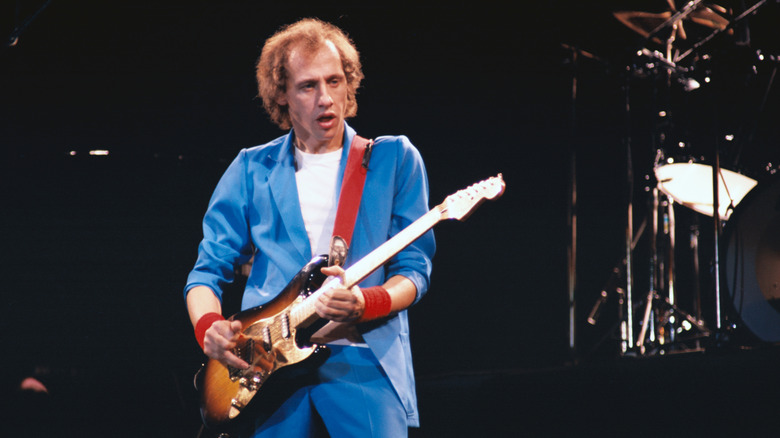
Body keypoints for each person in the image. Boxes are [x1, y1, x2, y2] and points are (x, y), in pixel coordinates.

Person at [184, 18, 435, 437]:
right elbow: (206, 272)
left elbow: (414, 271)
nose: (326, 99)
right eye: (308, 86)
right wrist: (210, 330)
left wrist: (366, 302)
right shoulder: (251, 168)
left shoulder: (394, 160)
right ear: (281, 95)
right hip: (264, 367)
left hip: (363, 357)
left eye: (335, 82)